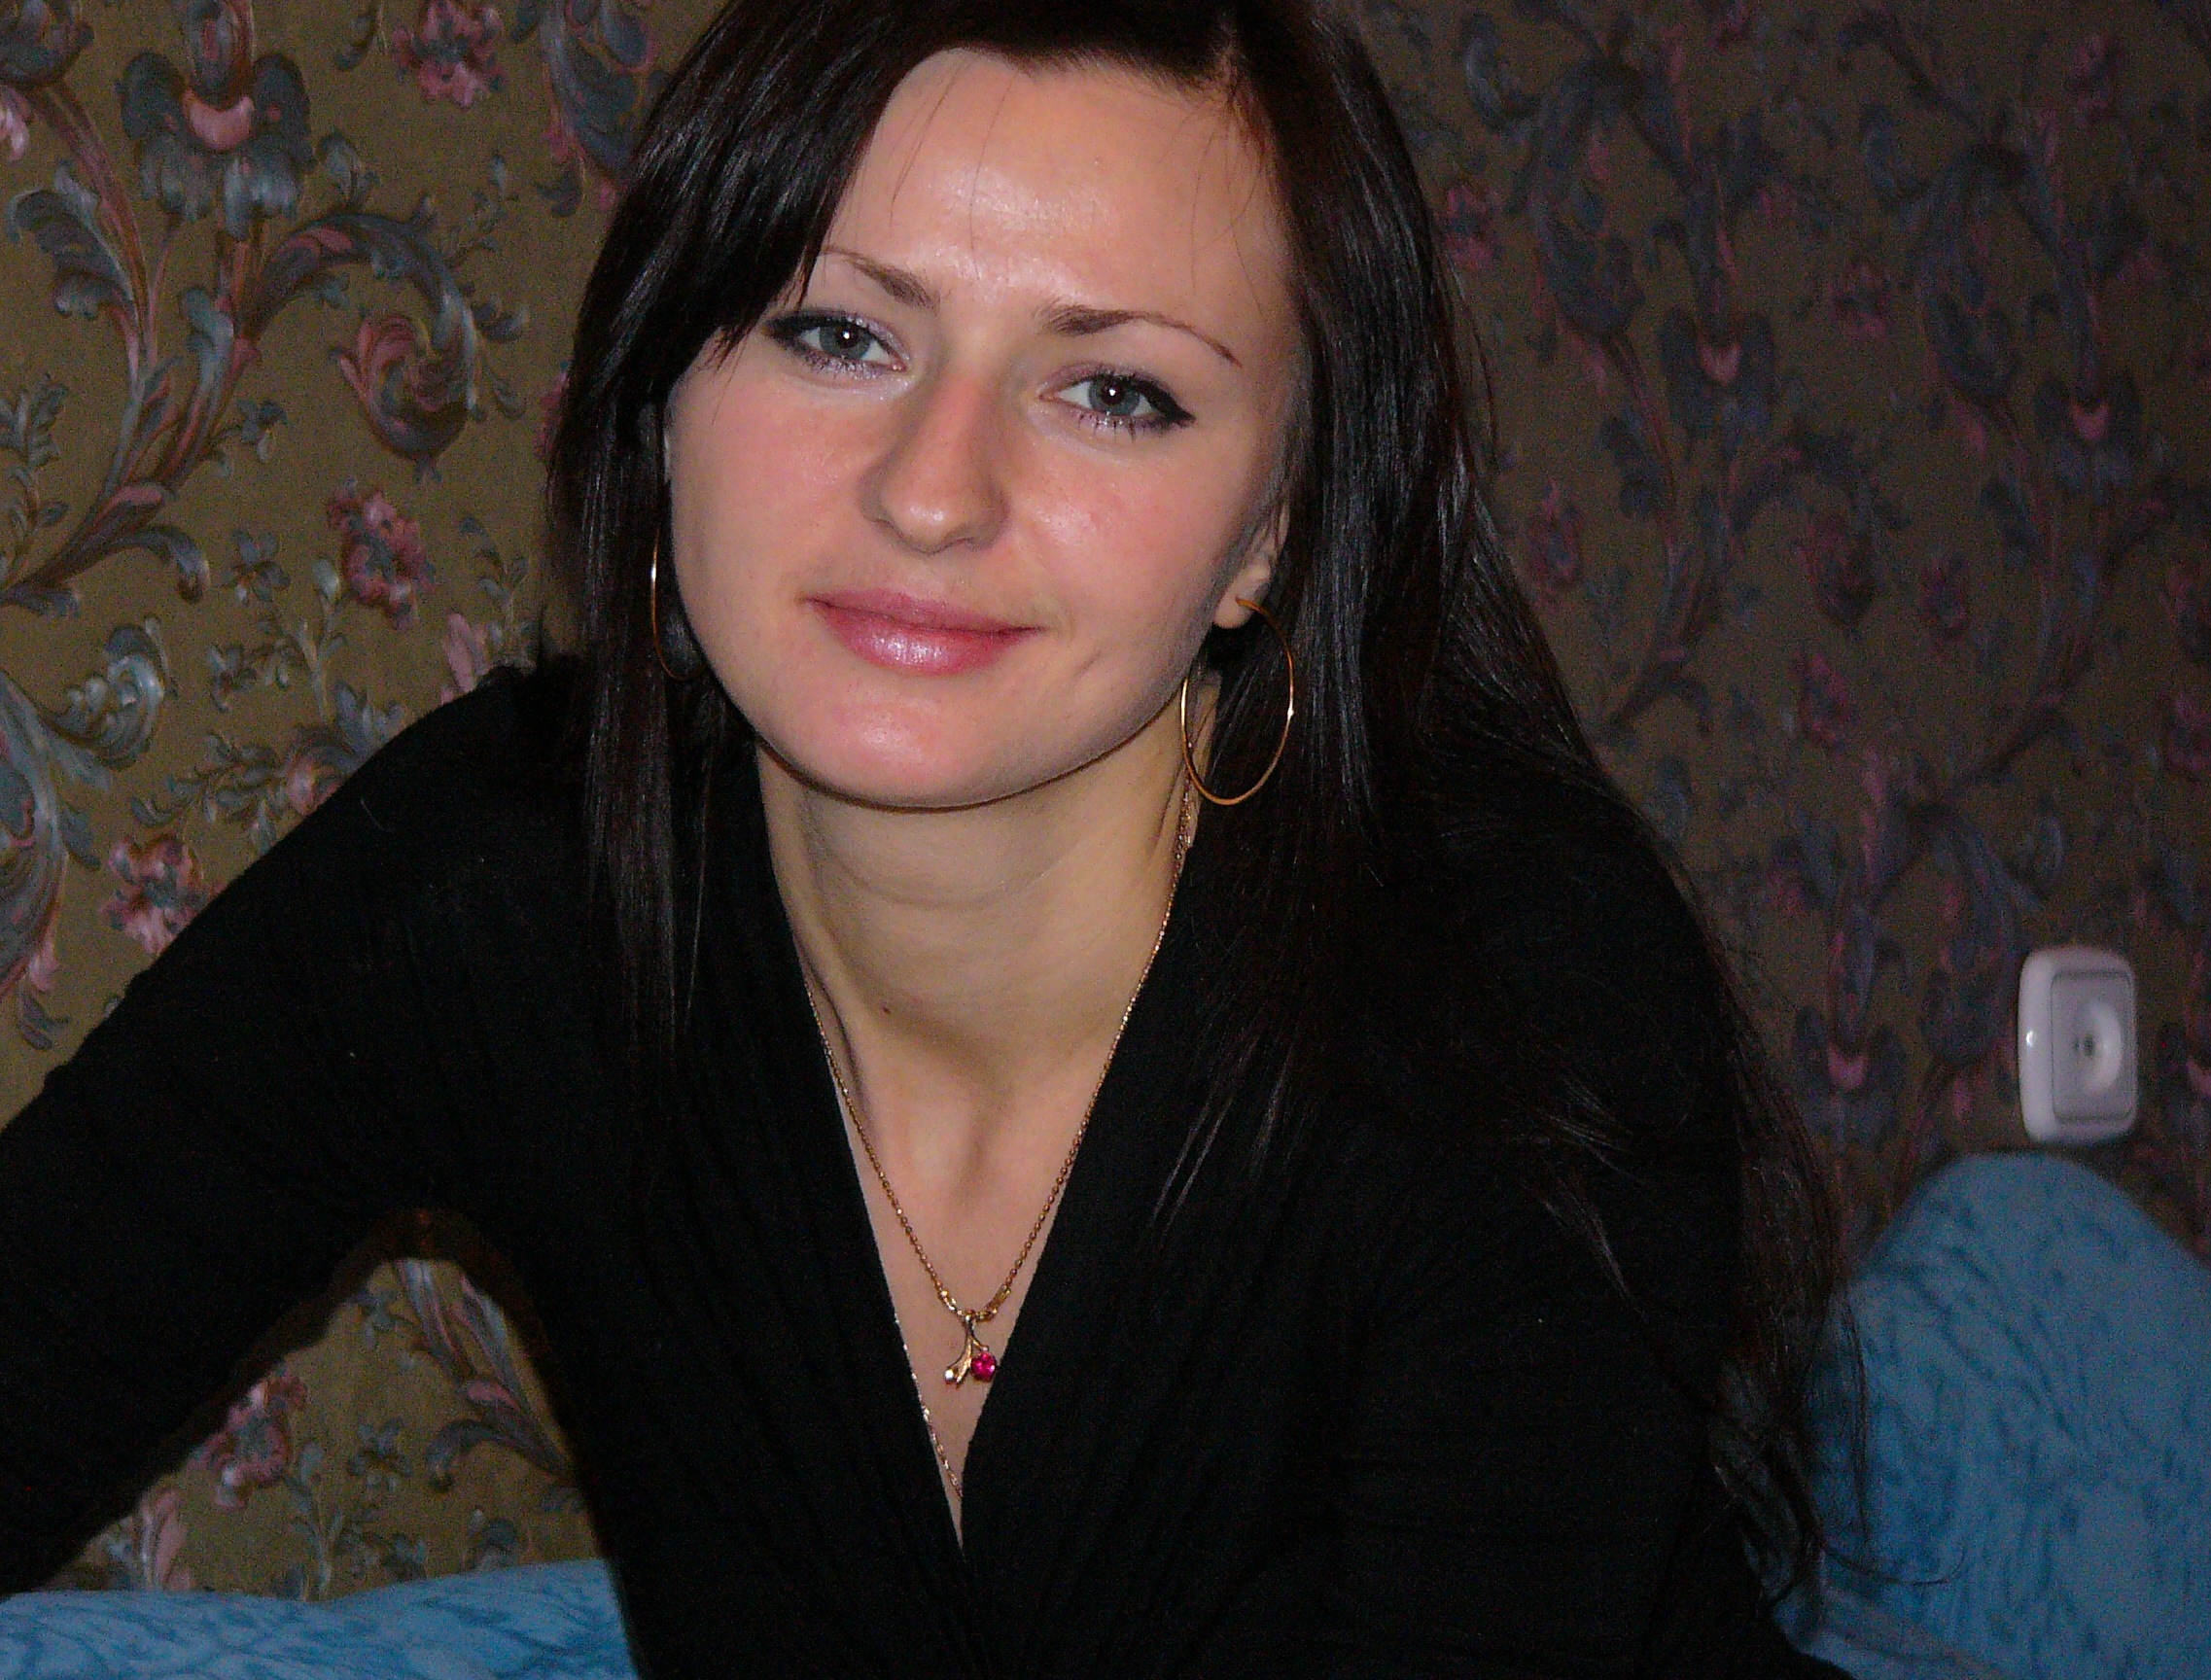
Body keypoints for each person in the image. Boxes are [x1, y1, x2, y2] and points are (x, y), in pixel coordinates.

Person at [0, 0, 1859, 1673]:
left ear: (1273, 533)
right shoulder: (506, 884)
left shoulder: (1502, 987)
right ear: (666, 398)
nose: (934, 491)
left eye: (1114, 391)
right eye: (840, 334)